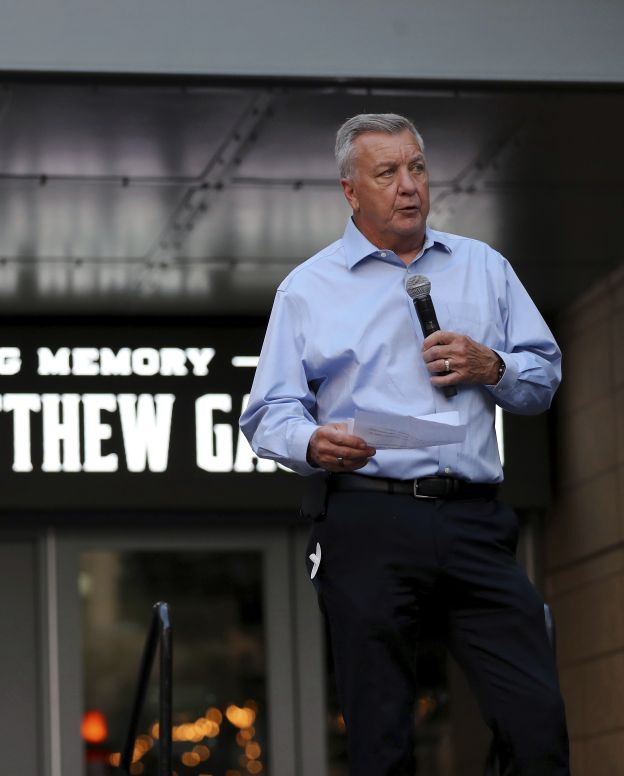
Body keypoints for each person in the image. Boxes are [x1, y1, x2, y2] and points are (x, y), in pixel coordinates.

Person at [239, 113, 569, 775]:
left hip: (474, 520)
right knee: (381, 738)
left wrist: (491, 365)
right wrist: (312, 442)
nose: (408, 185)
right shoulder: (308, 288)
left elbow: (543, 378)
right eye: (386, 172)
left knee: (537, 725)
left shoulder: (484, 267)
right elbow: (266, 412)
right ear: (350, 191)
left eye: (416, 167)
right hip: (368, 517)